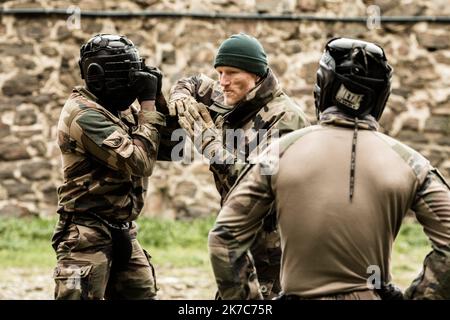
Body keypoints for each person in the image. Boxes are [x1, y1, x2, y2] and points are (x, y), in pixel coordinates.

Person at [208, 37, 450, 300]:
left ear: (322, 87)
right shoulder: (411, 164)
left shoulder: (279, 153)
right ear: (382, 96)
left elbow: (225, 238)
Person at [168, 33, 310, 299]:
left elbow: (258, 184)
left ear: (255, 74)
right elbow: (194, 82)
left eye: (231, 72)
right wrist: (180, 96)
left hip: (274, 255)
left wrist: (209, 144)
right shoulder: (232, 96)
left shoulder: (285, 118)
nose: (223, 81)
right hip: (237, 245)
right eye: (220, 72)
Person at [52, 34, 165, 299]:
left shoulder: (118, 109)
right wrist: (147, 104)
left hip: (124, 229)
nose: (131, 83)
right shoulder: (84, 114)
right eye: (125, 75)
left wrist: (157, 97)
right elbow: (139, 162)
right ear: (98, 76)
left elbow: (168, 146)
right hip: (86, 232)